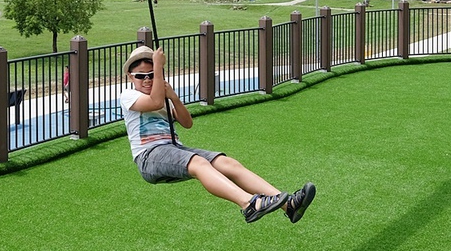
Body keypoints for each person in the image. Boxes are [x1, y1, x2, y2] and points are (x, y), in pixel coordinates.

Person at [119, 45, 315, 224]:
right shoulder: (129, 96)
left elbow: (187, 123)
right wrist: (160, 71)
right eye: (141, 76)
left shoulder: (162, 98)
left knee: (227, 163)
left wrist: (173, 96)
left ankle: (288, 205)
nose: (147, 79)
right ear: (130, 76)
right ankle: (248, 205)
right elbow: (153, 103)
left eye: (152, 74)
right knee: (199, 163)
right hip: (149, 156)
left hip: (173, 150)